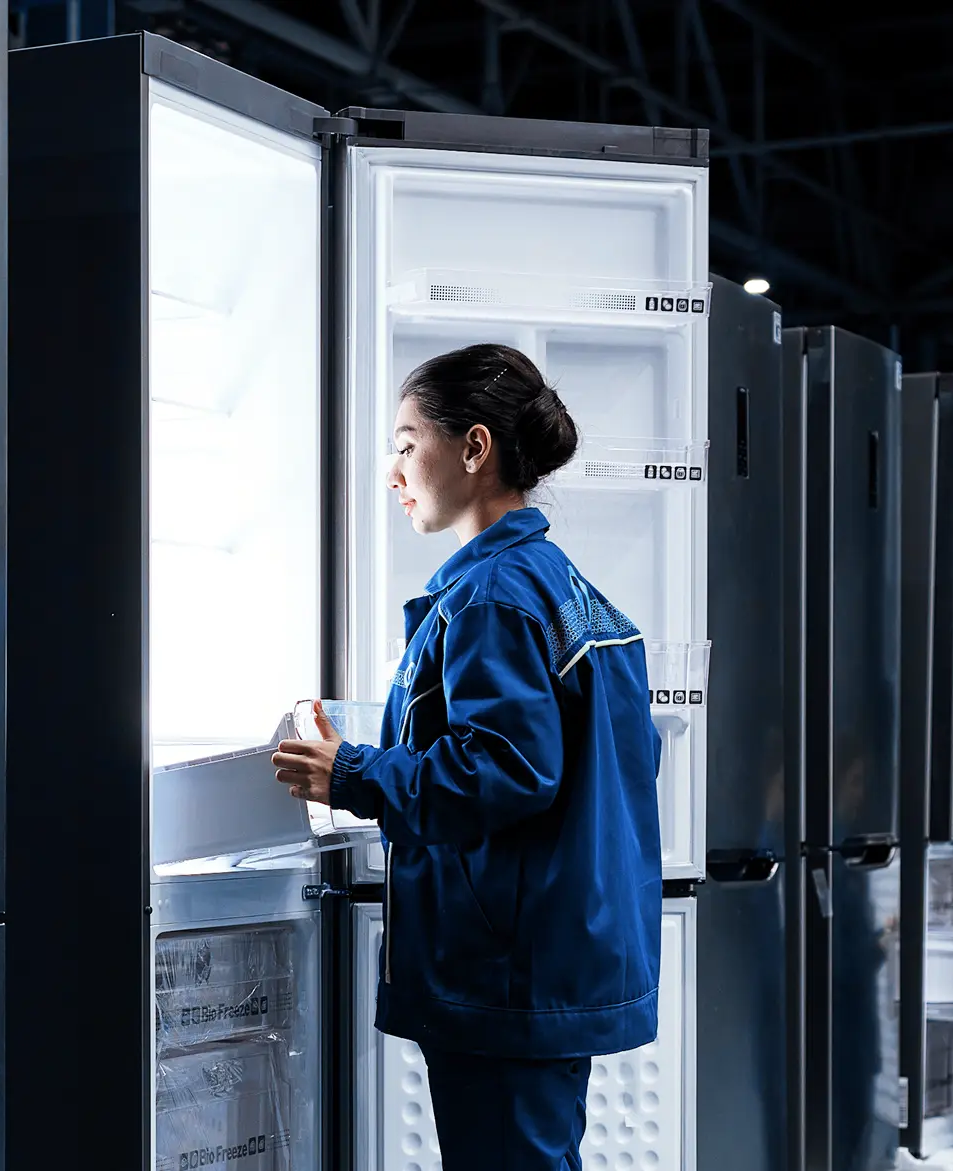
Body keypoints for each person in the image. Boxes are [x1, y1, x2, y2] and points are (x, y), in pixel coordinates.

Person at [271, 343, 663, 1171]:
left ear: (474, 448)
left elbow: (507, 770)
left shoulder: (491, 596)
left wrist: (351, 773)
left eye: (408, 442)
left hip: (506, 974)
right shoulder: (565, 586)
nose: (394, 469)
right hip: (550, 961)